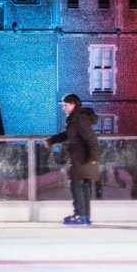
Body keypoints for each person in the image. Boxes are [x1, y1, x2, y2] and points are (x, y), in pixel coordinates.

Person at [45, 93, 101, 225]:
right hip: (83, 157)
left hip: (81, 158)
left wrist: (93, 158)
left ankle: (79, 215)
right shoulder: (75, 119)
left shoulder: (79, 119)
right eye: (63, 105)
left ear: (73, 104)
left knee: (76, 186)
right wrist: (52, 140)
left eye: (66, 105)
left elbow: (91, 138)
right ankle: (85, 216)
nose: (63, 107)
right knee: (84, 187)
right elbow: (68, 135)